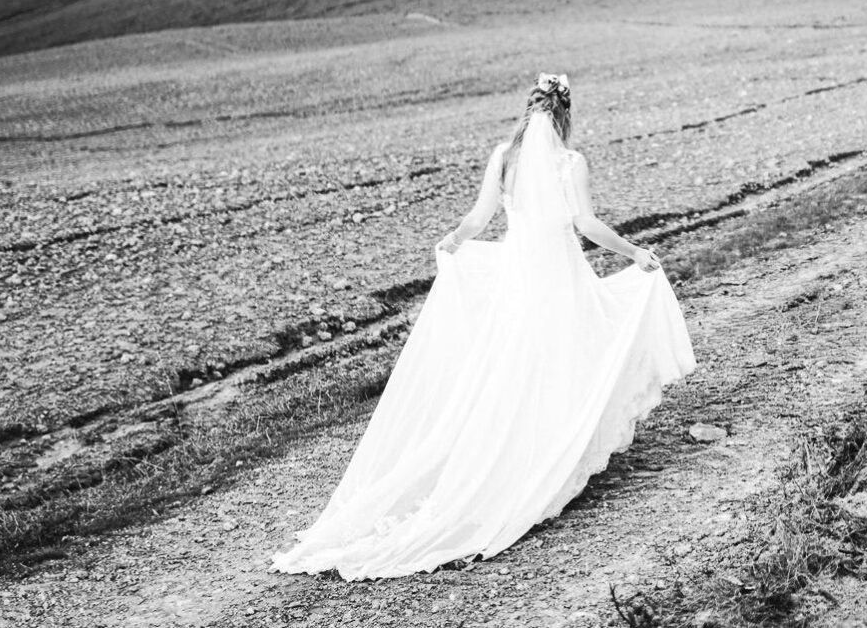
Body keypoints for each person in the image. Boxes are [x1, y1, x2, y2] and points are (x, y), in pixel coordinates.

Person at [273, 73, 695, 580]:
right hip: (558, 276)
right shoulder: (569, 163)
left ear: (529, 110)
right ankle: (542, 462)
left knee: (511, 367)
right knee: (563, 359)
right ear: (564, 114)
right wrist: (634, 253)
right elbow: (584, 224)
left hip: (517, 278)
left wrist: (452, 241)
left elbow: (479, 217)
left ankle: (517, 459)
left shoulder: (503, 156)